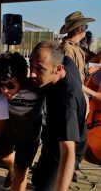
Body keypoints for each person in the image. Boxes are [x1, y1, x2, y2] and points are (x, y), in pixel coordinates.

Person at [30, 41, 87, 191]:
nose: (32, 73)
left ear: (58, 69)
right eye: (31, 65)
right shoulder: (66, 62)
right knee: (37, 179)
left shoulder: (65, 102)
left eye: (39, 69)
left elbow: (68, 151)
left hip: (64, 149)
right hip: (50, 138)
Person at [0, 52, 45, 190]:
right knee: (2, 155)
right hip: (7, 131)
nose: (4, 90)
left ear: (22, 78)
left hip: (29, 136)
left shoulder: (38, 87)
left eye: (10, 85)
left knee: (21, 173)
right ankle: (11, 169)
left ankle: (15, 171)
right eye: (1, 85)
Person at [60, 11, 100, 180]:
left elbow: (95, 59)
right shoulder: (66, 50)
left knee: (80, 138)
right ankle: (67, 171)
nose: (86, 30)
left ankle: (72, 169)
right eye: (85, 26)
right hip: (71, 99)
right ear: (79, 28)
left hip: (78, 98)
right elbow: (71, 79)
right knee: (72, 138)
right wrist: (94, 95)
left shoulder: (76, 48)